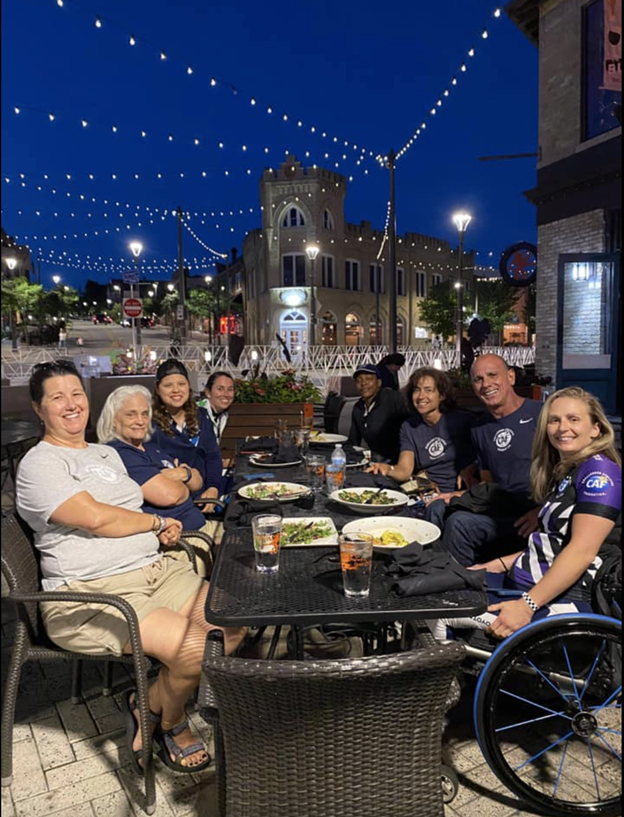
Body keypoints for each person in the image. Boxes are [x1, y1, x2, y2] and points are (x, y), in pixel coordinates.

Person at [15, 360, 244, 776]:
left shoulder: (105, 453)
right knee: (195, 651)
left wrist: (156, 533)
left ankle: (149, 698)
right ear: (38, 408)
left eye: (77, 394)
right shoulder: (40, 463)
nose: (71, 404)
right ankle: (167, 721)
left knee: (232, 624)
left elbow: (132, 504)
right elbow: (98, 517)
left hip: (155, 570)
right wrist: (156, 524)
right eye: (57, 397)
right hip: (94, 593)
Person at [429, 387, 621, 640]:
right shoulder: (567, 472)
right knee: (436, 594)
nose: (563, 427)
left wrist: (526, 605)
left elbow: (581, 551)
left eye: (574, 419)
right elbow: (552, 545)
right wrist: (494, 564)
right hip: (523, 582)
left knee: (440, 613)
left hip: (562, 599)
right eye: (554, 420)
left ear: (596, 428)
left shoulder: (600, 474)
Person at [428, 353, 544, 565]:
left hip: (537, 515)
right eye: (478, 379)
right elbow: (489, 484)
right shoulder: (480, 428)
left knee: (459, 523)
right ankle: (436, 574)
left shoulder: (542, 415)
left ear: (511, 377)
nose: (486, 384)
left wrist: (544, 512)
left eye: (492, 375)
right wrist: (456, 496)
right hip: (504, 509)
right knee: (436, 507)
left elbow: (571, 475)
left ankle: (461, 588)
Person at [98, 385, 216, 577]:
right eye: (131, 414)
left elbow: (197, 482)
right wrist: (184, 476)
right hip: (181, 543)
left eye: (145, 414)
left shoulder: (150, 448)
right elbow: (171, 496)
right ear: (113, 421)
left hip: (202, 528)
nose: (140, 421)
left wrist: (182, 475)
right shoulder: (119, 453)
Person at [367, 367, 478, 493]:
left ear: (441, 395)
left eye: (428, 390)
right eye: (417, 390)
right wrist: (388, 469)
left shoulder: (462, 421)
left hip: (459, 492)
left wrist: (470, 469)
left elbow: (486, 455)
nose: (421, 396)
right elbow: (404, 470)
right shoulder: (409, 427)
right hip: (428, 492)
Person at [150, 359, 225, 508]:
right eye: (168, 385)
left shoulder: (201, 416)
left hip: (205, 497)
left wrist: (213, 487)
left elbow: (213, 456)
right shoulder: (149, 424)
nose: (176, 390)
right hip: (174, 502)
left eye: (181, 384)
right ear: (158, 390)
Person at [348, 364, 410, 463]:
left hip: (400, 461)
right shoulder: (358, 408)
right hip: (377, 461)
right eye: (359, 380)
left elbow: (413, 421)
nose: (363, 383)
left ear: (379, 382)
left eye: (368, 379)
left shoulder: (392, 399)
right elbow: (353, 441)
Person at [197, 371, 235, 447]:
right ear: (208, 392)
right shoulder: (197, 412)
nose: (226, 394)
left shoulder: (223, 415)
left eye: (230, 389)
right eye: (220, 389)